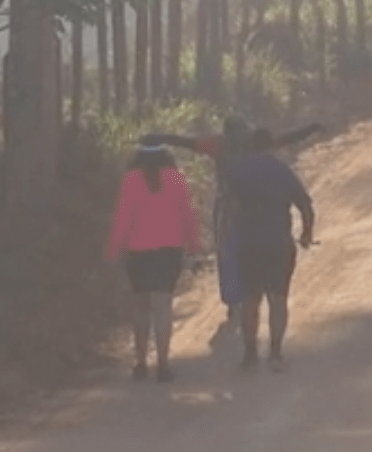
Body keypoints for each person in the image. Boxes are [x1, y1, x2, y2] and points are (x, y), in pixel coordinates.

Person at [143, 116, 321, 322]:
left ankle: (233, 301)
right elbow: (288, 138)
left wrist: (159, 138)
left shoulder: (218, 144)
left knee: (227, 253)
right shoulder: (253, 142)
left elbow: (186, 142)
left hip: (227, 204)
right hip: (257, 202)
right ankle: (249, 297)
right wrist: (311, 127)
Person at [213, 129, 316, 373]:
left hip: (248, 243)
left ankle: (250, 354)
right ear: (271, 146)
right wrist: (307, 233)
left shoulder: (237, 172)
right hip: (278, 242)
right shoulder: (281, 170)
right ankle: (275, 353)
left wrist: (222, 240)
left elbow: (226, 207)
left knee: (251, 298)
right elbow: (305, 204)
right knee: (278, 299)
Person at [105, 138, 204, 383]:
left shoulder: (131, 181)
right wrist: (193, 246)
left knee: (140, 307)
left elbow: (122, 218)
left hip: (138, 252)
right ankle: (163, 365)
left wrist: (112, 250)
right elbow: (187, 214)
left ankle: (140, 363)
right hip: (169, 251)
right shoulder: (176, 178)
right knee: (162, 307)